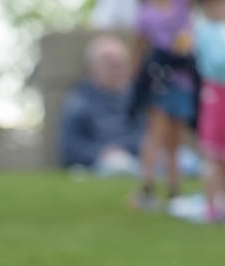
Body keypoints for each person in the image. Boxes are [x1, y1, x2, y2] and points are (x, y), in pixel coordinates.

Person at [131, 0, 198, 210]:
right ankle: (147, 185)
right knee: (156, 133)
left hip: (182, 78)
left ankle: (174, 188)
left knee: (175, 139)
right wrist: (136, 78)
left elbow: (188, 37)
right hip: (160, 78)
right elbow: (140, 46)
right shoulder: (146, 14)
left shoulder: (181, 6)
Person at [58, 34, 145, 174]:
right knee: (119, 166)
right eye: (110, 65)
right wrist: (101, 152)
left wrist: (125, 148)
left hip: (142, 158)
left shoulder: (135, 98)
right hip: (106, 164)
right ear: (92, 67)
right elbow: (70, 150)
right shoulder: (78, 103)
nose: (117, 70)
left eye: (120, 65)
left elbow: (148, 134)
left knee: (186, 160)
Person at [195, 0, 225, 221]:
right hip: (216, 93)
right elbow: (216, 63)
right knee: (213, 154)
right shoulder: (206, 32)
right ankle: (212, 206)